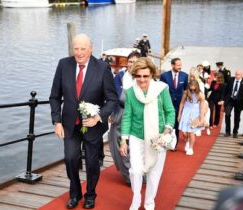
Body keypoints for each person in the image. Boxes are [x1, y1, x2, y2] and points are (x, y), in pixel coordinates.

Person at [49, 34, 118, 209]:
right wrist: (56, 122)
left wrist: (98, 117)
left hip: (93, 125)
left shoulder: (102, 68)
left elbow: (112, 100)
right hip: (69, 124)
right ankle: (75, 192)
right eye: (76, 49)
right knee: (70, 158)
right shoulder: (64, 65)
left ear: (91, 48)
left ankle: (90, 194)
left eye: (83, 49)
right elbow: (55, 96)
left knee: (92, 161)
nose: (79, 53)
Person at [119, 57, 175, 210]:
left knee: (154, 174)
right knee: (135, 171)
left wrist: (167, 130)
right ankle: (136, 200)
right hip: (136, 136)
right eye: (138, 76)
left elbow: (170, 111)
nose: (142, 80)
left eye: (146, 76)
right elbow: (127, 116)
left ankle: (149, 203)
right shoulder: (130, 92)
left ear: (152, 75)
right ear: (134, 75)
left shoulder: (162, 89)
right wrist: (124, 140)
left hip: (157, 137)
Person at [108, 51, 140, 184]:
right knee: (119, 143)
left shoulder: (143, 76)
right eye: (130, 62)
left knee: (136, 145)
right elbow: (114, 96)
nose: (132, 64)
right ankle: (127, 175)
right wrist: (111, 113)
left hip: (138, 116)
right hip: (120, 113)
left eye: (135, 62)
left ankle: (138, 172)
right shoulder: (120, 76)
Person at [160, 58, 188, 150]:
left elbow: (185, 91)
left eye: (181, 65)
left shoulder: (184, 76)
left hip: (179, 104)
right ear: (172, 65)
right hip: (167, 103)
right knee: (166, 122)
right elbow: (161, 90)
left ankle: (174, 144)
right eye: (178, 65)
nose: (180, 67)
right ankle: (164, 140)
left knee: (176, 123)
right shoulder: (164, 76)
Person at [178, 80, 206, 155]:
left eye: (194, 89)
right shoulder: (186, 93)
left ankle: (191, 148)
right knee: (184, 132)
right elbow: (182, 103)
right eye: (191, 89)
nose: (192, 90)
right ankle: (187, 141)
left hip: (195, 113)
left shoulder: (200, 94)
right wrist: (179, 114)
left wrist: (202, 117)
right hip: (186, 112)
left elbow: (202, 107)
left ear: (197, 87)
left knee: (191, 132)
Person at [223, 69, 243, 138]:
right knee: (227, 115)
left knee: (237, 118)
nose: (237, 76)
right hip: (230, 100)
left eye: (238, 75)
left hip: (238, 102)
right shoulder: (230, 79)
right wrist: (223, 99)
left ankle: (235, 132)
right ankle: (227, 132)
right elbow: (225, 89)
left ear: (242, 75)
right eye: (236, 74)